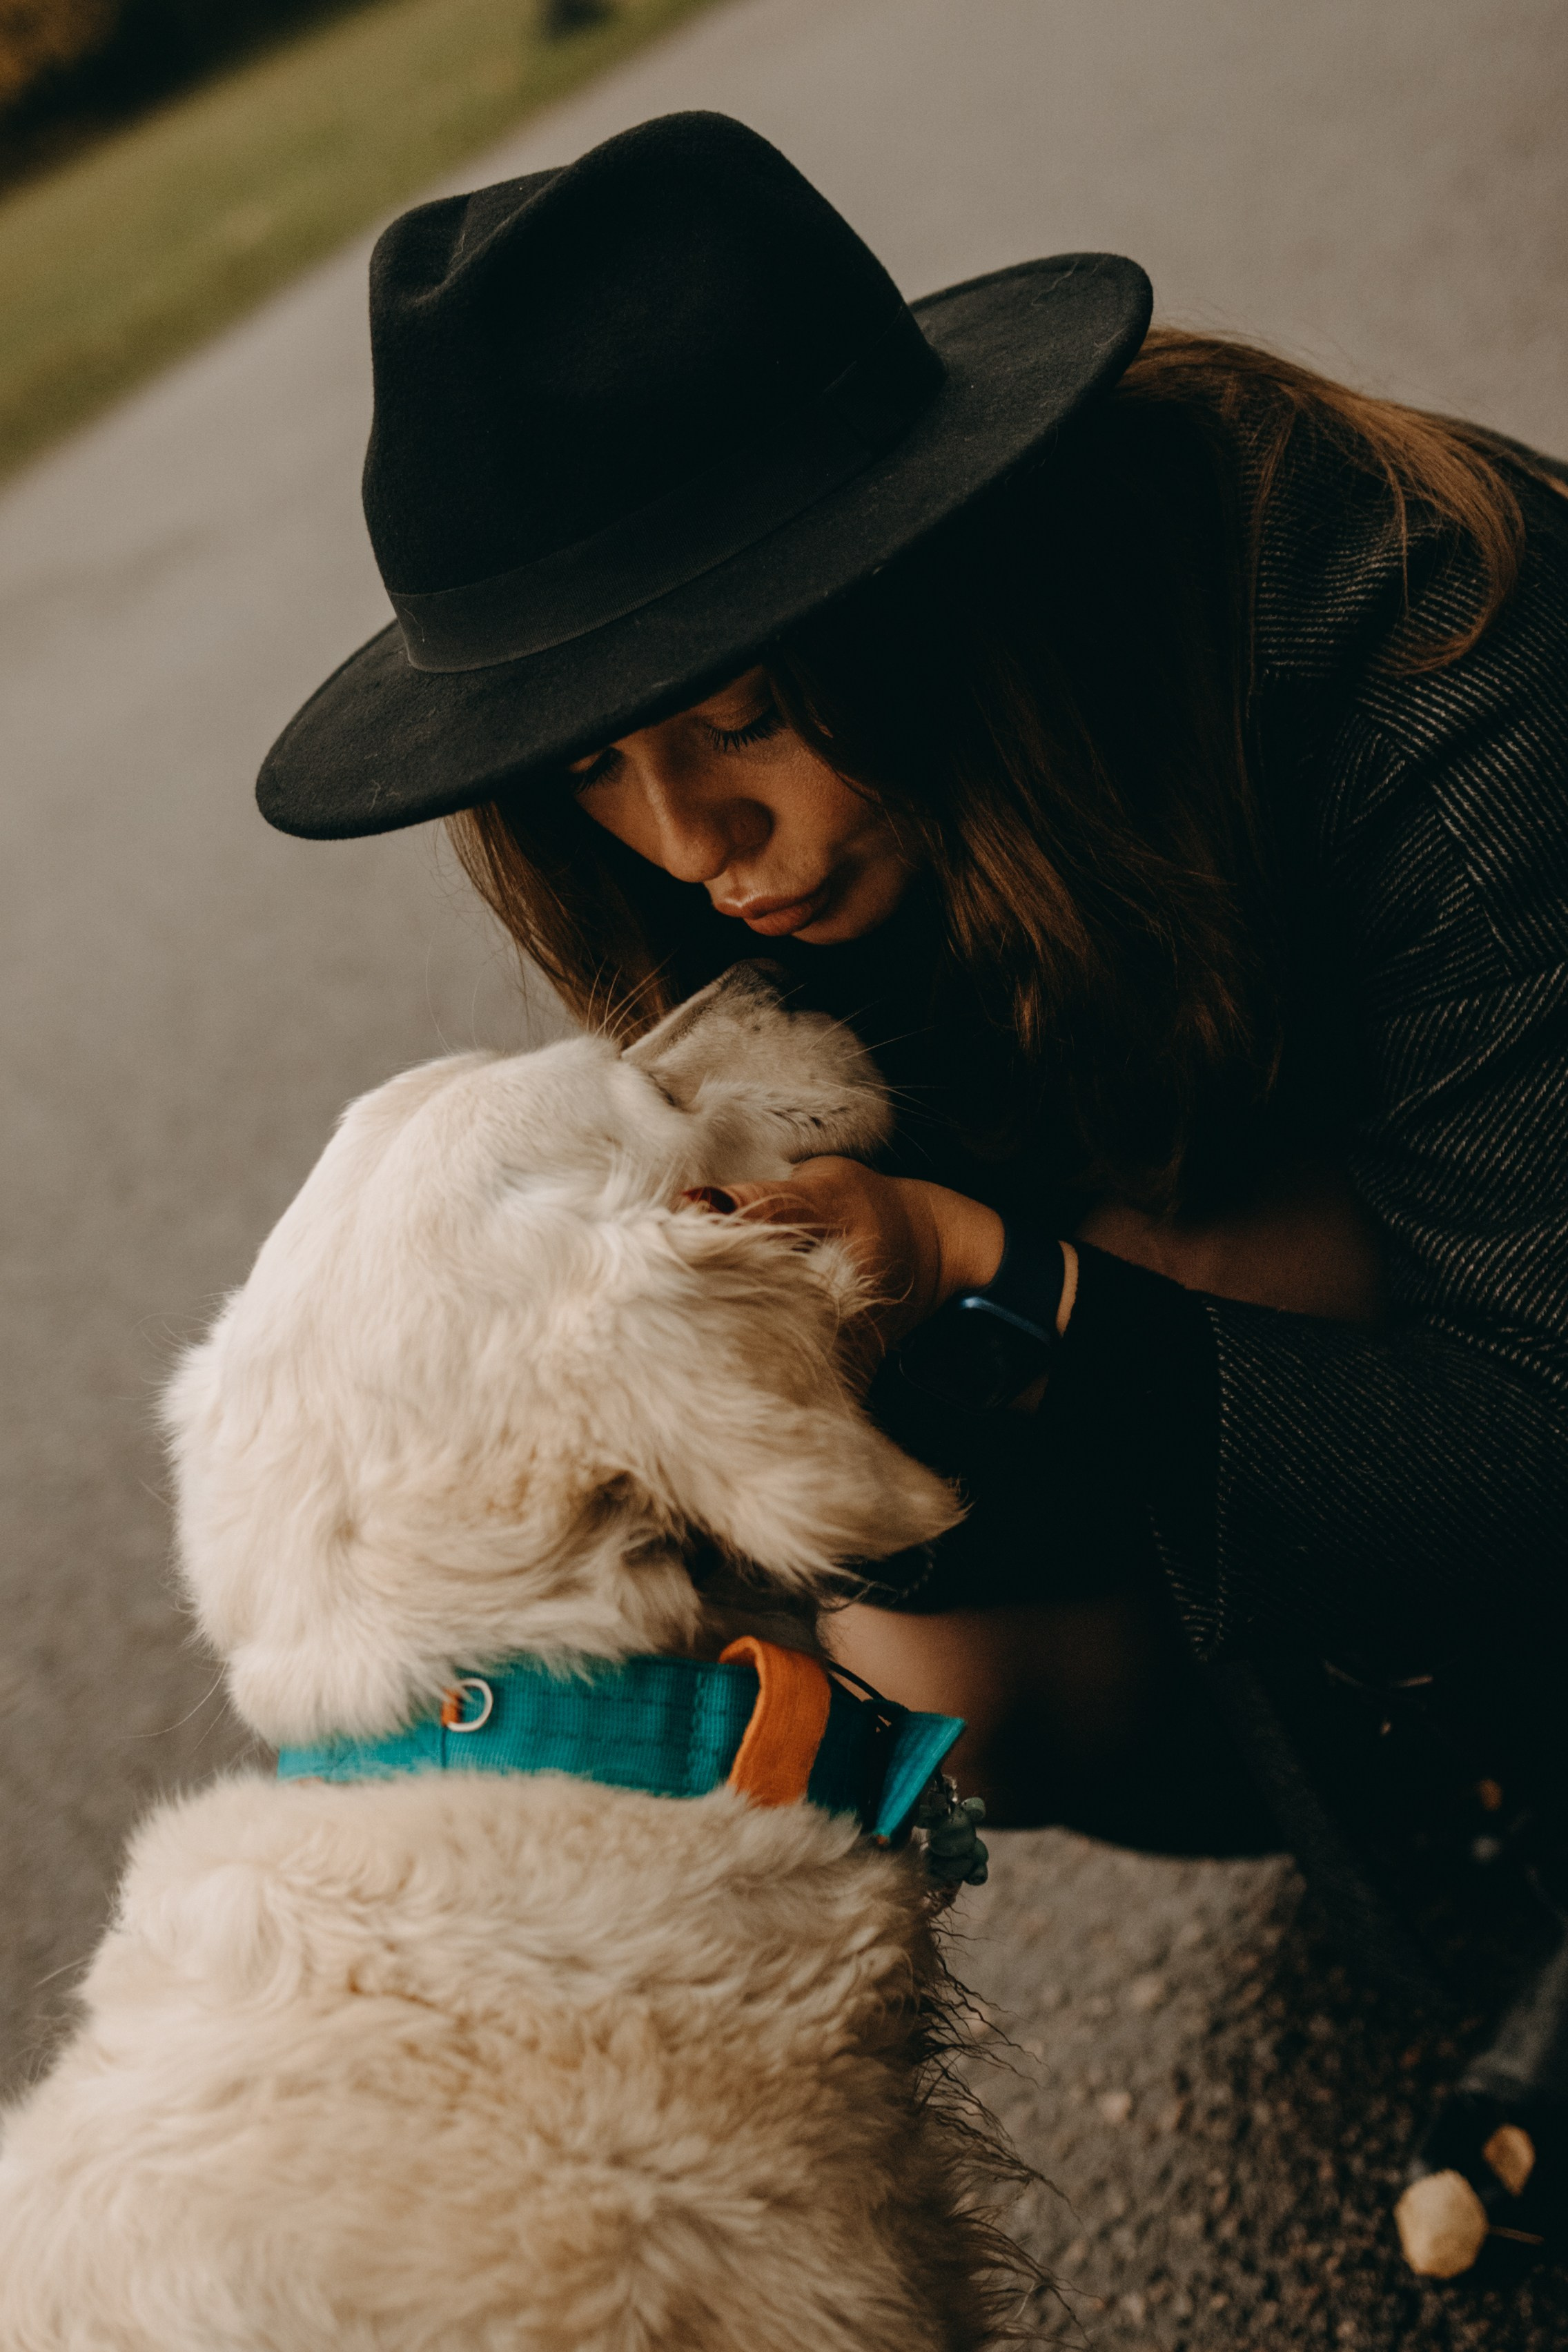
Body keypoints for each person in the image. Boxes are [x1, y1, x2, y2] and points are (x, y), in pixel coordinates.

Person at [257, 113, 1568, 1910]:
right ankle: (1423, 1772)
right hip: (1330, 1443)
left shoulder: (1428, 665)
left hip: (1508, 1365)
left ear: (925, 576)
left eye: (743, 717)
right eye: (589, 765)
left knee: (1170, 1266)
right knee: (921, 1666)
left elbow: (1537, 1425)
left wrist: (999, 1276)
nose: (690, 843)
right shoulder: (774, 841)